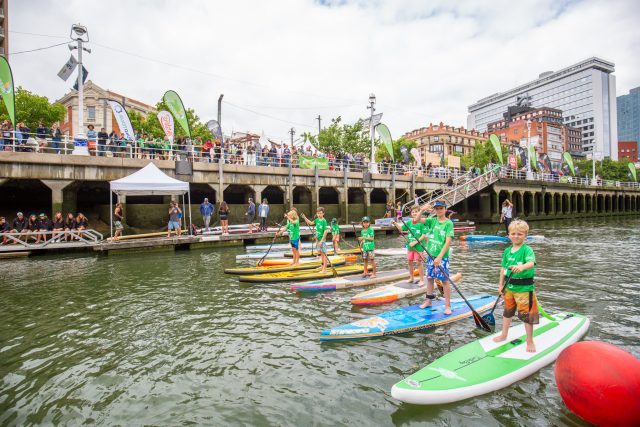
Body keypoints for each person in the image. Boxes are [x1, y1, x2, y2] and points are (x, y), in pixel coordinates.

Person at [492, 219, 538, 353]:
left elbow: (531, 263)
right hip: (508, 288)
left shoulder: (527, 250)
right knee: (507, 313)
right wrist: (500, 285)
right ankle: (504, 334)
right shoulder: (507, 251)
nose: (516, 236)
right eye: (513, 233)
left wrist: (521, 267)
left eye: (519, 234)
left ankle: (530, 341)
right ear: (509, 235)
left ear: (525, 236)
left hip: (524, 289)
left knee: (527, 317)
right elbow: (502, 268)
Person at [419, 200, 454, 314]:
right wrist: (422, 209)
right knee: (429, 278)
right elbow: (417, 220)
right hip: (430, 255)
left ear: (445, 209)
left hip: (442, 257)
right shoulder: (431, 221)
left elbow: (448, 242)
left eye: (441, 208)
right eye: (437, 208)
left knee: (444, 281)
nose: (439, 210)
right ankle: (428, 300)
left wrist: (439, 257)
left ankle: (447, 305)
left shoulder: (448, 223)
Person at [392, 205, 426, 287]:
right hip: (410, 247)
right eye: (413, 212)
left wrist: (415, 242)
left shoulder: (422, 223)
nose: (414, 213)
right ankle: (411, 277)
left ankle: (421, 279)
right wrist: (395, 223)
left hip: (419, 247)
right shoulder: (409, 223)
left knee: (418, 263)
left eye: (416, 212)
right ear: (411, 213)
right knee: (409, 262)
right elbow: (401, 229)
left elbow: (423, 236)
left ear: (419, 213)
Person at [301, 207, 329, 273]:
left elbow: (325, 232)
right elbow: (310, 223)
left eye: (320, 213)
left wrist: (321, 241)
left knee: (324, 254)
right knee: (321, 253)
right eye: (318, 213)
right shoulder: (317, 220)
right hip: (318, 240)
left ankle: (324, 269)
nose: (319, 214)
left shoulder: (324, 221)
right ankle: (322, 266)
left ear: (323, 214)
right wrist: (304, 218)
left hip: (322, 240)